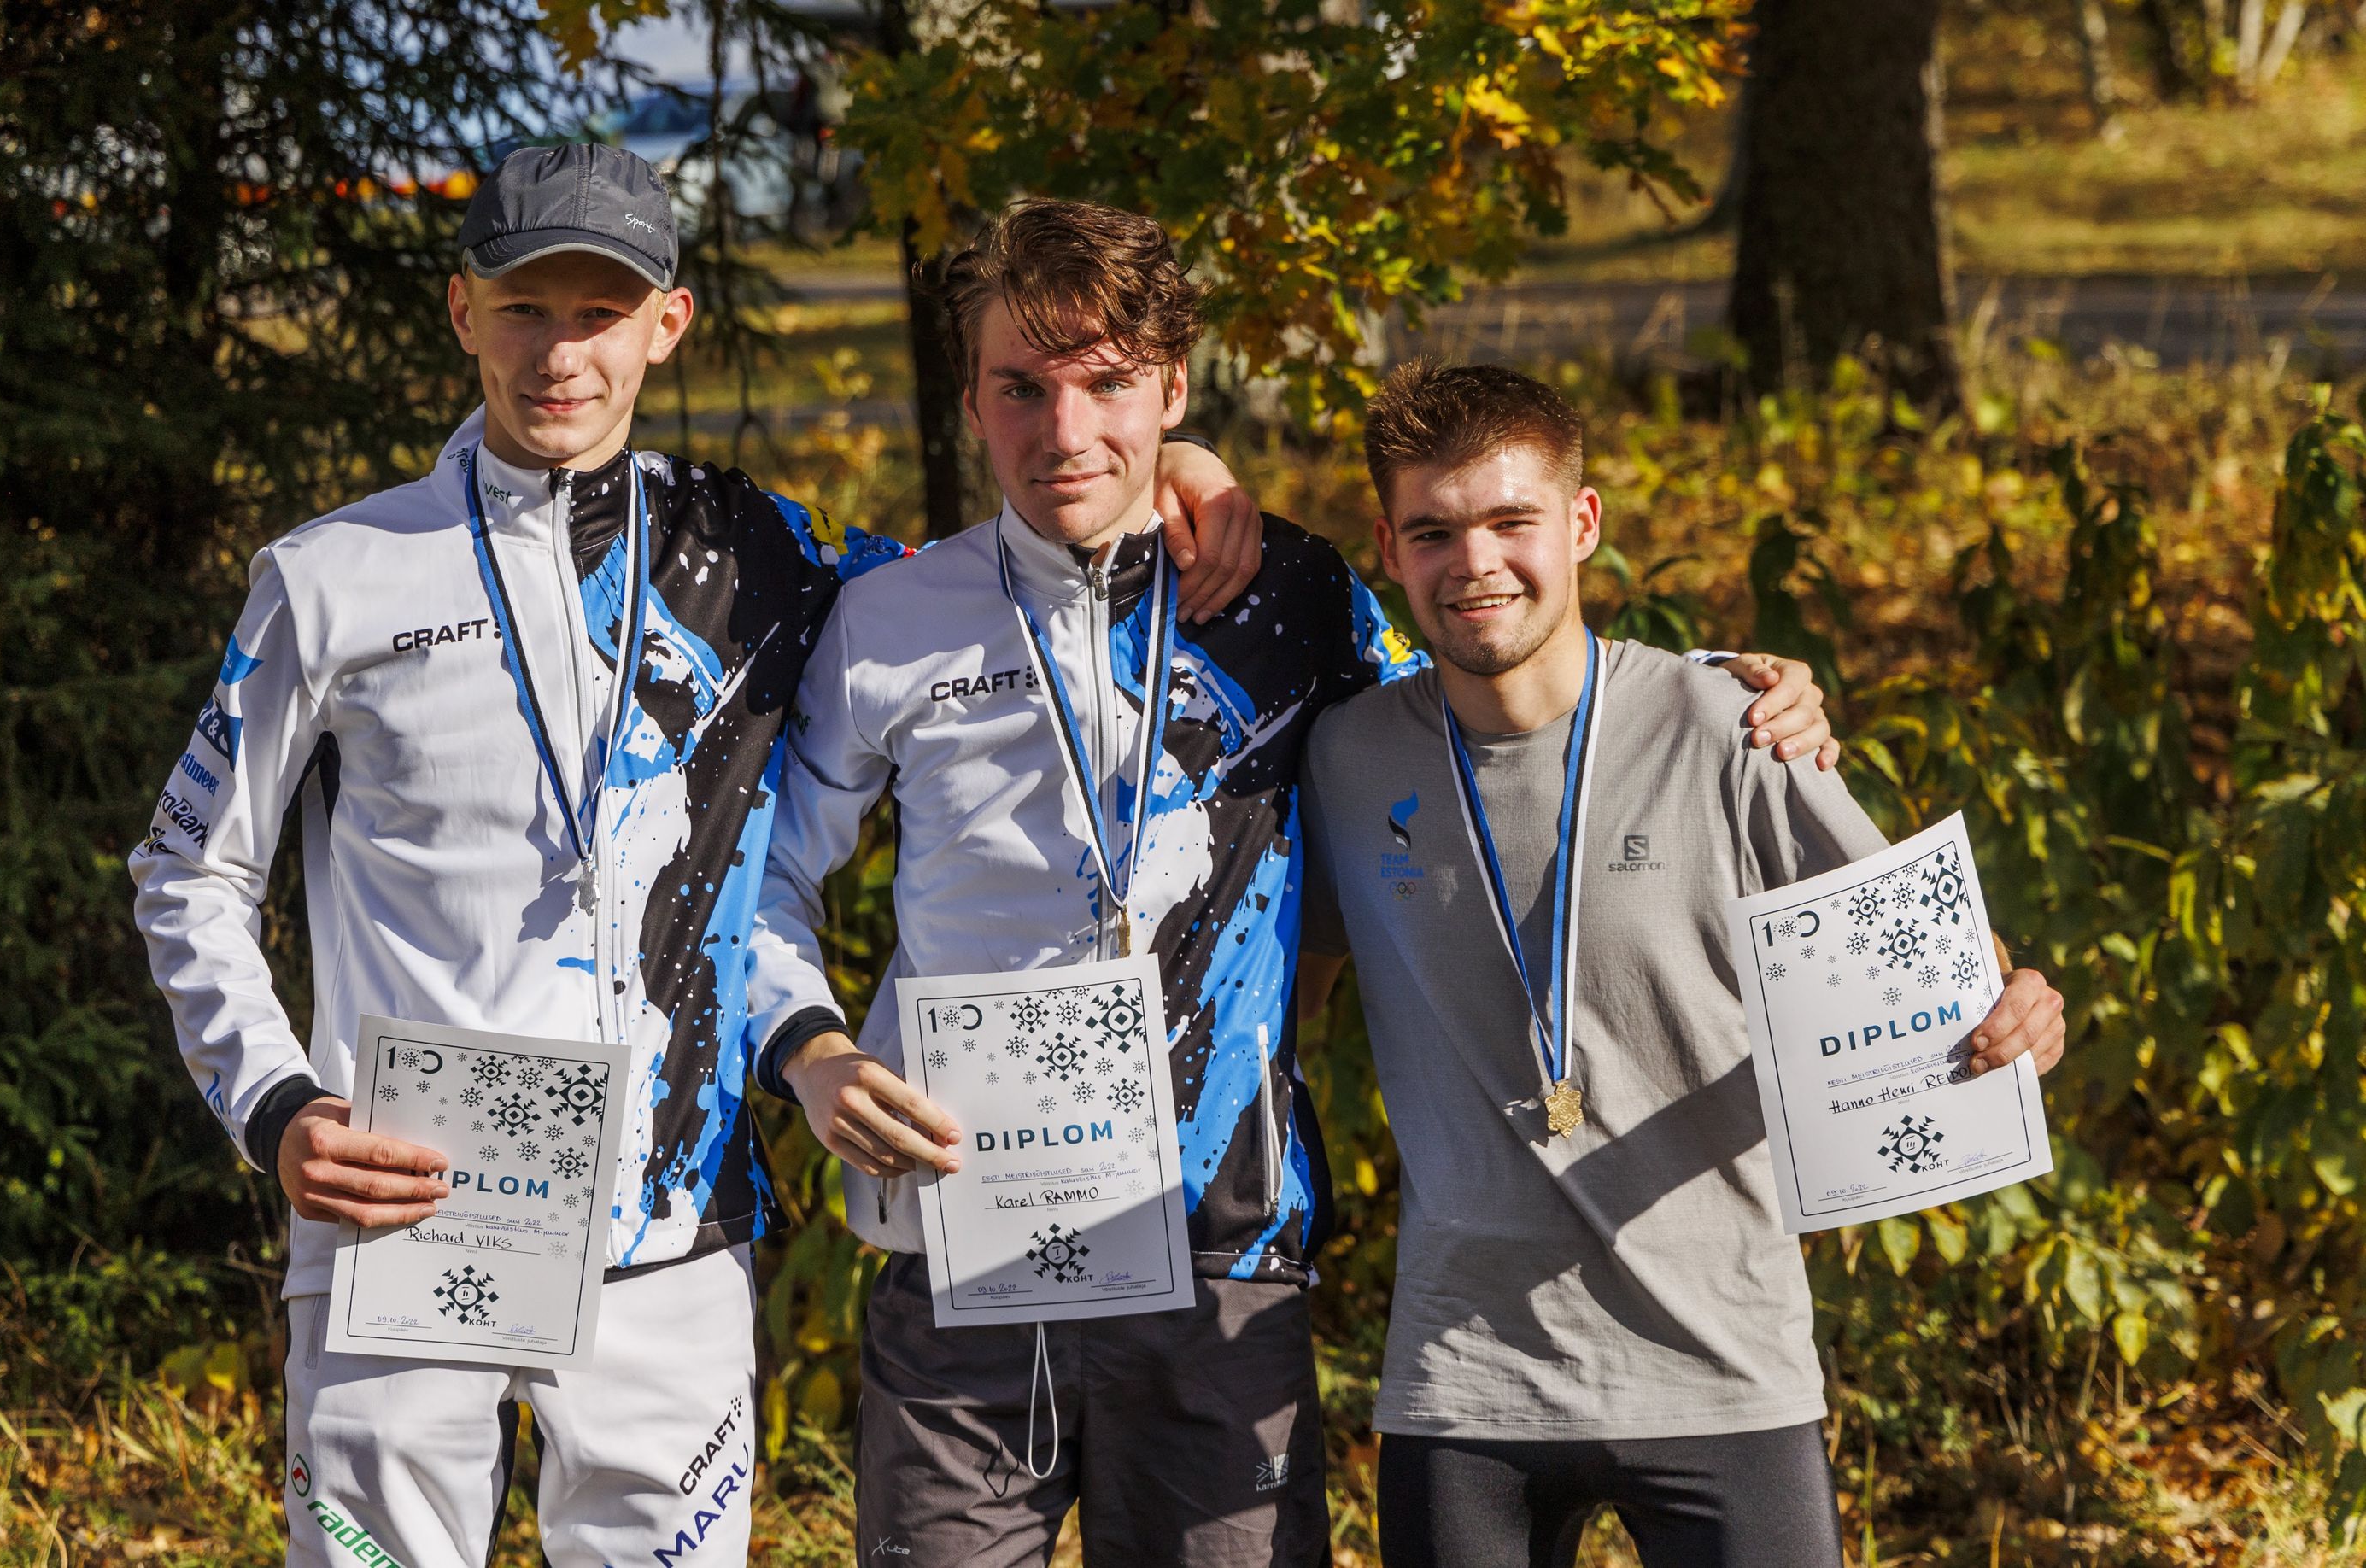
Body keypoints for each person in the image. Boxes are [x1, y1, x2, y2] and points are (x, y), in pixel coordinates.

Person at [128, 146, 1266, 1568]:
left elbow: (1005, 577)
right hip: (405, 1211)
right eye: (524, 308)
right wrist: (278, 1103)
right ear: (461, 312)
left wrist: (1184, 470)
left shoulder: (763, 553)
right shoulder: (331, 578)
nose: (560, 352)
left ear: (663, 326)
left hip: (675, 1229)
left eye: (597, 313)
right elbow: (188, 872)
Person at [741, 200, 1841, 1568]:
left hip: (1224, 1251)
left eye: (1107, 385)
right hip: (959, 1237)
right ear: (969, 397)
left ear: (1175, 386)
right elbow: (761, 875)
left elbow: (1501, 702)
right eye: (1020, 388)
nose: (1064, 432)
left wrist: (1732, 697)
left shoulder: (1296, 598)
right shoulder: (889, 616)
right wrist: (810, 1051)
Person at [1297, 360, 2070, 1568]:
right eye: (1434, 532)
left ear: (1584, 524)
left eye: (1513, 522)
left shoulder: (1733, 724)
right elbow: (1273, 988)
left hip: (1726, 1369)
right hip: (1468, 1385)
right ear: (1388, 550)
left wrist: (2017, 1011)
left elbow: (1930, 968)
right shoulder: (1344, 759)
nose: (1477, 563)